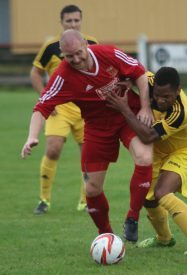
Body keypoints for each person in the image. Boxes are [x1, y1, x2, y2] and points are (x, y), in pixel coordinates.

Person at [22, 29, 154, 242]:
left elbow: (139, 73)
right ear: (62, 56)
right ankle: (106, 236)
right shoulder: (63, 76)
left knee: (145, 157)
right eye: (69, 56)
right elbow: (42, 106)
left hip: (127, 117)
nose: (75, 59)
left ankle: (132, 217)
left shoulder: (108, 53)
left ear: (85, 44)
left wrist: (145, 108)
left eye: (78, 53)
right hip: (96, 128)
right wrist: (31, 136)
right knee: (91, 189)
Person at [105, 67, 187, 255]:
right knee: (148, 197)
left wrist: (124, 109)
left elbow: (148, 136)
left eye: (167, 97)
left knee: (162, 191)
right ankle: (164, 239)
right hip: (158, 151)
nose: (161, 100)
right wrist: (129, 82)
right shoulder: (148, 80)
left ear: (178, 90)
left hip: (185, 150)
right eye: (158, 95)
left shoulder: (181, 112)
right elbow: (132, 69)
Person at [30, 5, 98, 214]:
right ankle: (44, 200)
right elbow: (35, 73)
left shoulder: (92, 44)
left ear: (81, 20)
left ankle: (85, 200)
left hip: (85, 110)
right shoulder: (51, 47)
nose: (73, 24)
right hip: (58, 109)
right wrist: (46, 100)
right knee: (53, 148)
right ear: (61, 23)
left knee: (88, 154)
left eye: (76, 20)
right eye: (69, 21)